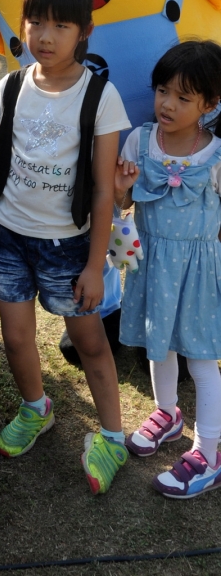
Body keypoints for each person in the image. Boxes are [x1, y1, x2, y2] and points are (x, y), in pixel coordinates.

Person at [0, 0, 132, 494]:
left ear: (85, 31)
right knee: (15, 338)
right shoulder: (10, 87)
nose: (45, 36)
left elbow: (102, 191)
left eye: (61, 24)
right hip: (10, 238)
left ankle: (112, 438)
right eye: (36, 22)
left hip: (68, 246)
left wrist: (95, 267)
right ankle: (37, 409)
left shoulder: (100, 96)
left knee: (89, 342)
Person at [115, 40, 221, 499]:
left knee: (201, 360)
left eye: (183, 97)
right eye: (162, 91)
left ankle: (209, 453)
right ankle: (167, 413)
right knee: (159, 345)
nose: (167, 104)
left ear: (209, 105)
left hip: (199, 273)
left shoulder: (215, 156)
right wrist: (120, 188)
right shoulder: (139, 142)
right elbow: (122, 200)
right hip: (151, 265)